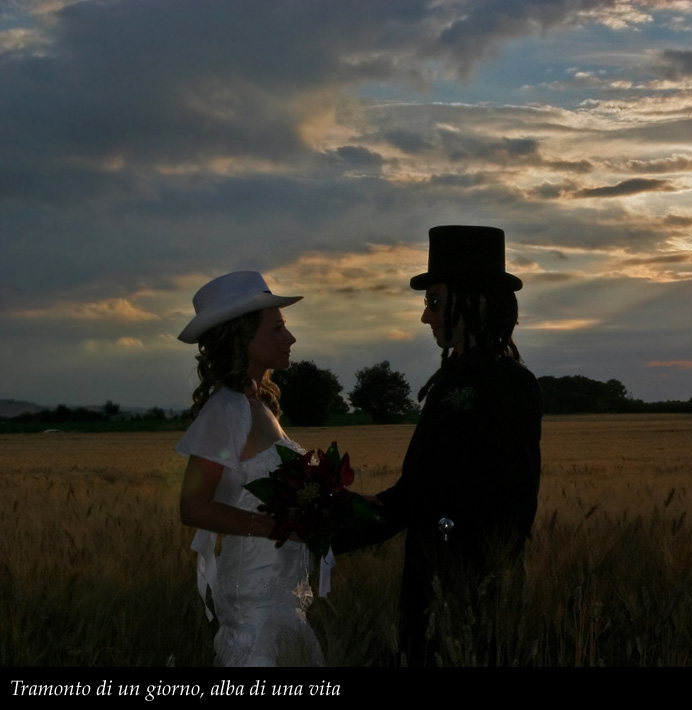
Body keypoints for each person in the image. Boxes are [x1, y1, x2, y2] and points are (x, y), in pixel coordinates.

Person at [334, 225, 542, 666]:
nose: (425, 317)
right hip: (429, 582)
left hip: (469, 588)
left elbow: (512, 502)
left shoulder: (511, 384)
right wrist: (331, 520)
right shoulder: (451, 380)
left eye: (434, 302)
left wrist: (464, 564)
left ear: (478, 302)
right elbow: (417, 491)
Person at [176, 271, 323, 667]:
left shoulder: (258, 404)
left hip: (281, 594)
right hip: (255, 599)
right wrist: (273, 526)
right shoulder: (226, 409)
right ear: (242, 338)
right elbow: (192, 506)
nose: (289, 339)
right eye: (277, 328)